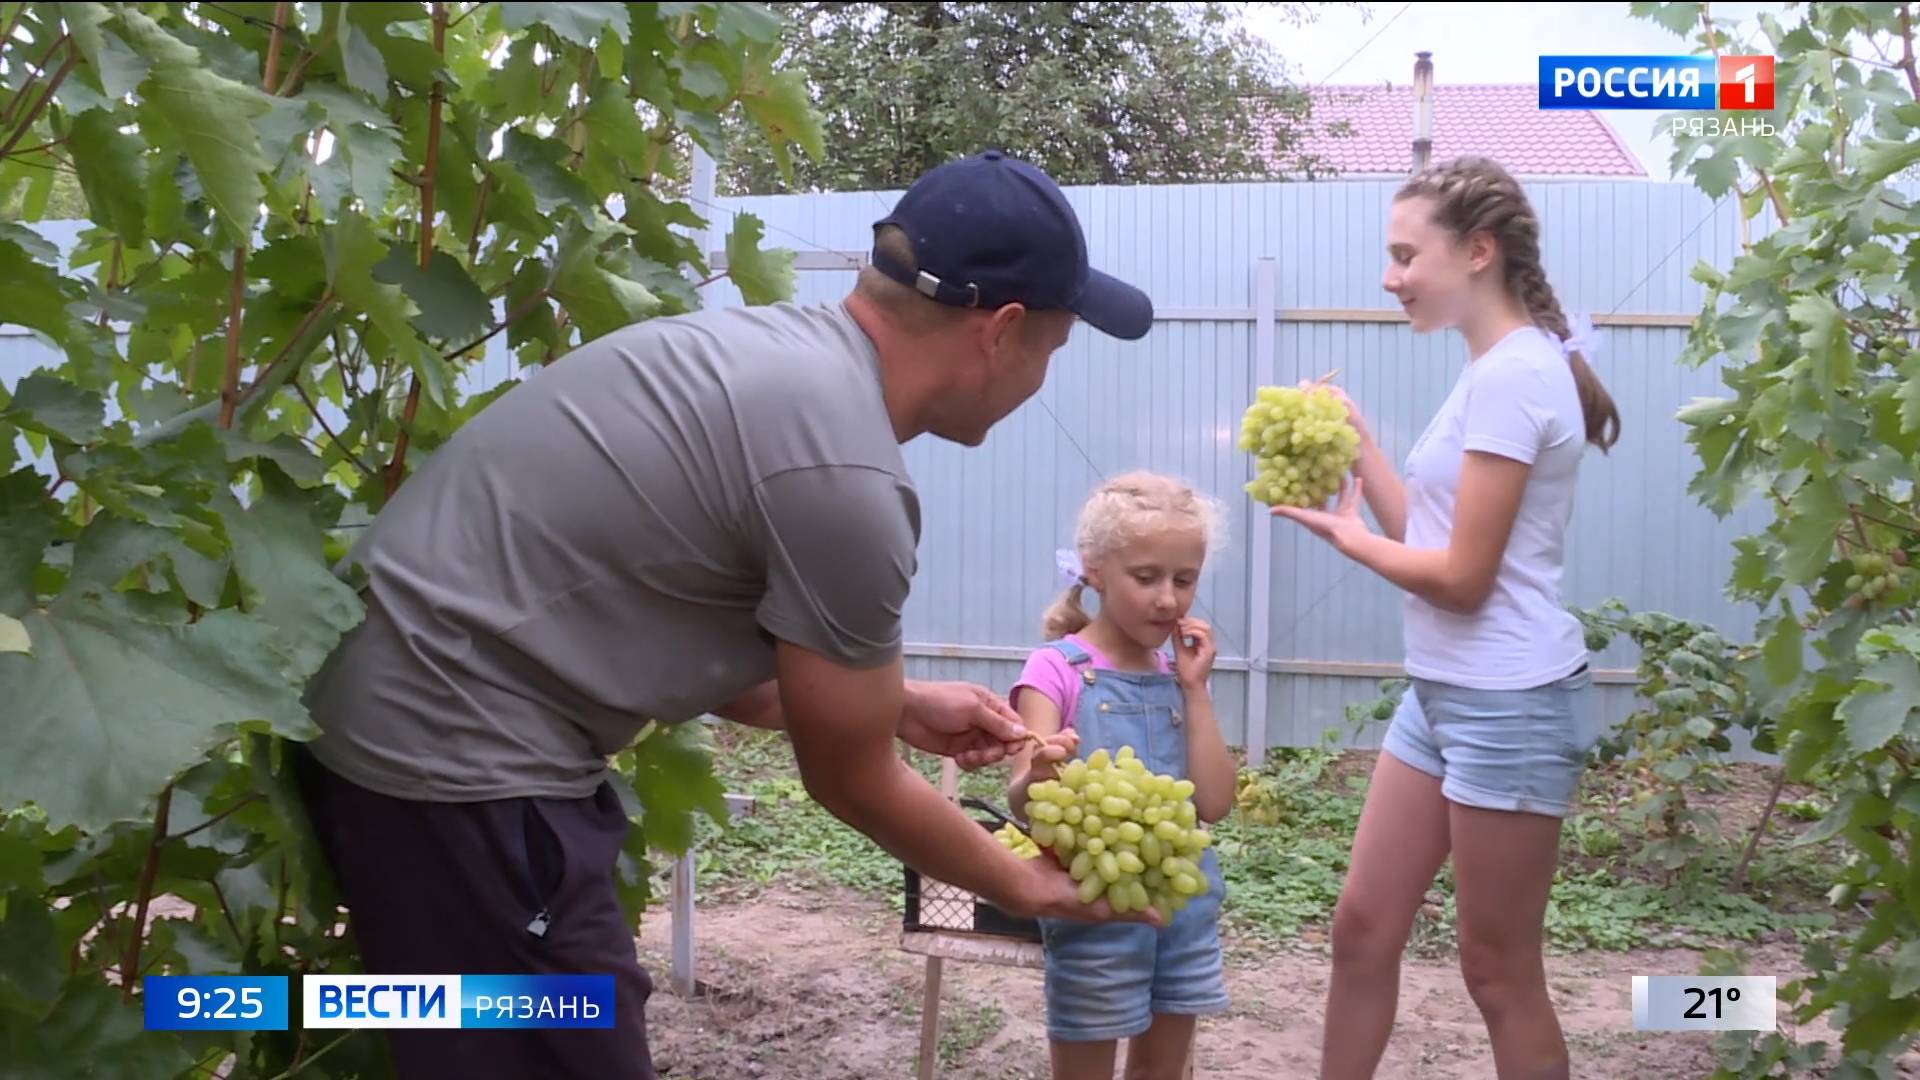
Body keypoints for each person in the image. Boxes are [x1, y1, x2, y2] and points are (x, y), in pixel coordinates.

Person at [292, 150, 1164, 1080]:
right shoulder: (847, 477)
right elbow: (850, 778)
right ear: (1003, 330)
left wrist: (898, 703)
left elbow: (664, 618)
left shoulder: (771, 356)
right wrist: (1024, 884)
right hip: (458, 763)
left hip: (403, 720)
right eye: (1052, 351)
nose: (1042, 379)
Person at [1269, 155, 1621, 1080]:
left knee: (1498, 972)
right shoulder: (1492, 369)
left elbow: (1461, 580)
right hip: (1444, 694)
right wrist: (1363, 446)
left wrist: (1347, 539)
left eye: (1403, 255)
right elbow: (1427, 538)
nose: (1390, 278)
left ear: (1477, 251)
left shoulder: (1516, 376)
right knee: (1362, 929)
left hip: (1509, 702)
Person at [1005, 471, 1238, 1080]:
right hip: (1092, 913)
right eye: (1146, 577)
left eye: (1184, 580)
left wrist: (1196, 690)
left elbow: (1214, 803)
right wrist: (1040, 776)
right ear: (1096, 570)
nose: (1168, 599)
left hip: (1184, 912)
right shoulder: (1054, 669)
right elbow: (1024, 802)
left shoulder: (1178, 675)